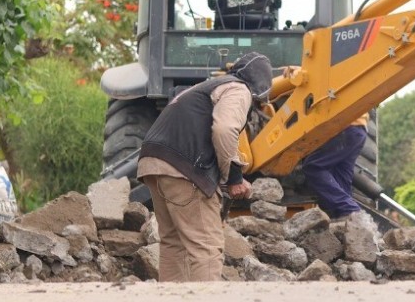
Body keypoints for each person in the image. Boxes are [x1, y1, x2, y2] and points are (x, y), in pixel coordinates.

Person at [137, 52, 273, 282]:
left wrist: (231, 176)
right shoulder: (239, 89)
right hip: (183, 168)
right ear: (260, 87)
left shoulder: (207, 86)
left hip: (153, 162)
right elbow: (224, 129)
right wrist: (234, 178)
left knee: (174, 243)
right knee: (207, 246)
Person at [302, 114, 368, 220]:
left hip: (345, 127)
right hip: (358, 130)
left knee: (313, 167)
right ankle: (348, 221)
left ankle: (351, 211)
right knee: (340, 177)